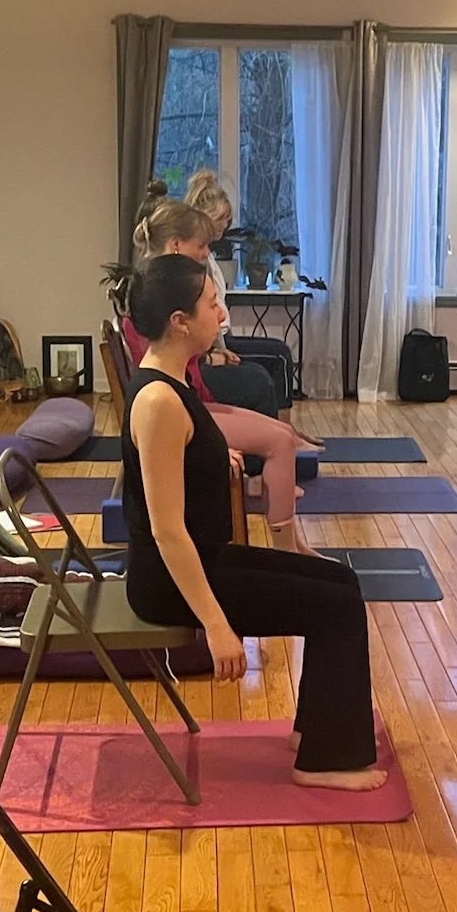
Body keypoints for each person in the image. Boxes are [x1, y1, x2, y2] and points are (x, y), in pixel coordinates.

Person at [122, 254, 382, 790]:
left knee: (340, 582)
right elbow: (167, 531)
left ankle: (318, 731)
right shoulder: (157, 401)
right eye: (210, 302)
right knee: (334, 607)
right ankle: (324, 762)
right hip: (174, 582)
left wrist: (217, 459)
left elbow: (187, 458)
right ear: (180, 321)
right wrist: (217, 627)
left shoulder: (172, 383)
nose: (220, 309)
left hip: (206, 559)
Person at [124, 186, 320, 553]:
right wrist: (211, 446)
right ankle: (288, 549)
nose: (219, 312)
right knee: (278, 434)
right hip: (190, 408)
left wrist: (212, 350)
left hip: (192, 401)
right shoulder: (157, 296)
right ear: (178, 245)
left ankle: (291, 539)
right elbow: (162, 377)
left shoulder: (166, 291)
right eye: (203, 248)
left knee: (280, 431)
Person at [184, 170, 297, 412]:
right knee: (275, 362)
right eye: (223, 217)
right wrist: (214, 354)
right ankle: (280, 436)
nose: (227, 224)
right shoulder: (193, 262)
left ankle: (283, 434)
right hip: (209, 348)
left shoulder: (206, 257)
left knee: (280, 353)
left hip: (217, 342)